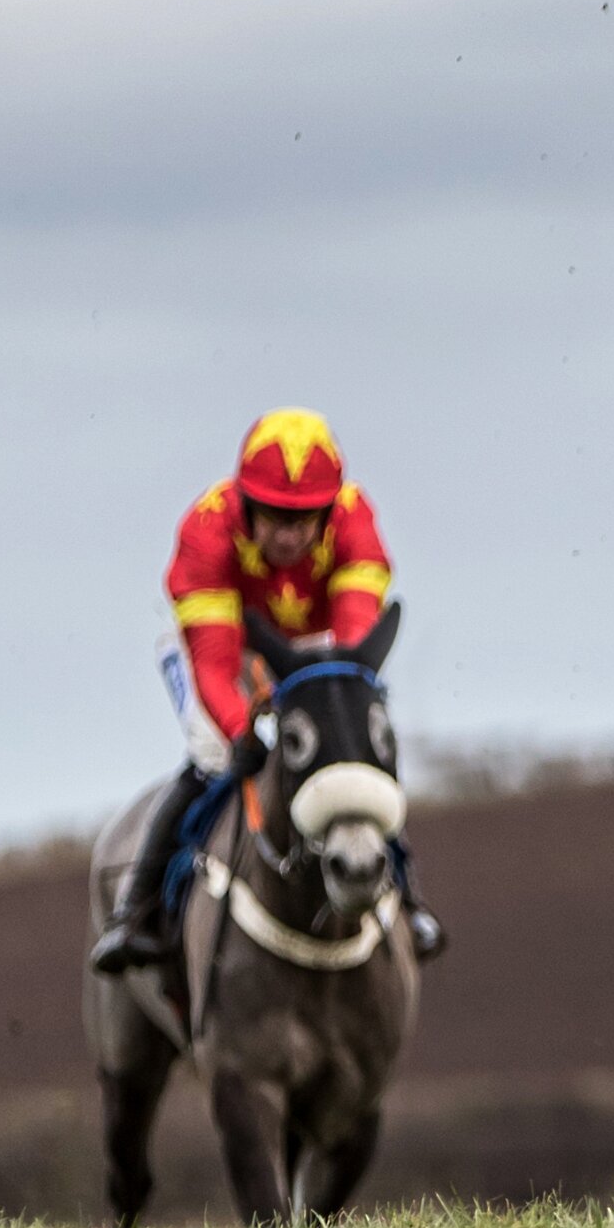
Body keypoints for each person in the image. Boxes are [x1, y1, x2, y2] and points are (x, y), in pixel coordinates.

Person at [88, 409, 446, 972]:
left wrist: (327, 709)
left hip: (316, 650)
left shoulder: (357, 522)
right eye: (275, 516)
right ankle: (136, 910)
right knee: (213, 755)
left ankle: (409, 897)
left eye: (305, 519)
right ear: (245, 504)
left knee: (349, 745)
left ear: (329, 511)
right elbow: (213, 665)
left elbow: (350, 651)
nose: (290, 535)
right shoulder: (206, 531)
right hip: (226, 646)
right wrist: (242, 732)